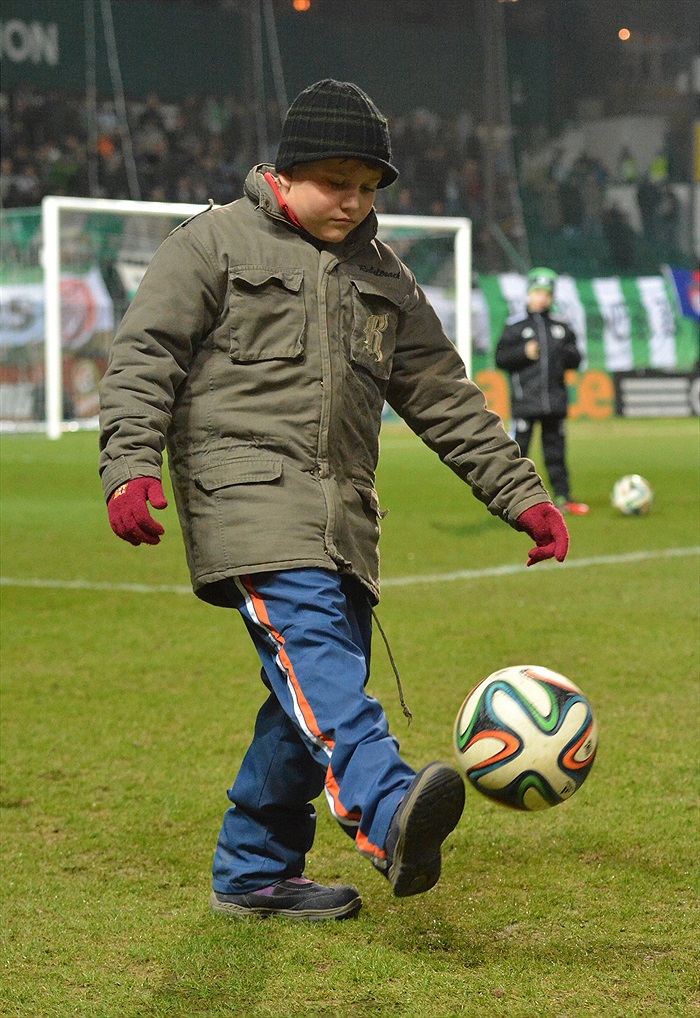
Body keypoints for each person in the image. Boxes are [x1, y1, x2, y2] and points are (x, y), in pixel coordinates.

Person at [99, 80, 570, 922]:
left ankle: (254, 869)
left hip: (345, 520)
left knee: (308, 694)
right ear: (286, 171)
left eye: (368, 187)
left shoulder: (384, 276)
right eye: (334, 182)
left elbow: (443, 394)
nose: (352, 203)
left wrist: (522, 494)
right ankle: (386, 809)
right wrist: (128, 464)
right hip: (245, 501)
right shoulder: (209, 245)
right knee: (319, 665)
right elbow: (144, 358)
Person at [495, 267, 589, 515]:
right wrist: (524, 353)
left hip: (555, 402)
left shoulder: (561, 325)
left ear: (552, 297)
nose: (541, 298)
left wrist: (563, 352)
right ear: (528, 294)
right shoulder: (515, 325)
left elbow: (576, 359)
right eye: (537, 292)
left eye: (546, 293)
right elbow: (501, 358)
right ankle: (510, 501)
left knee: (556, 454)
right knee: (518, 454)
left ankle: (563, 498)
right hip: (526, 402)